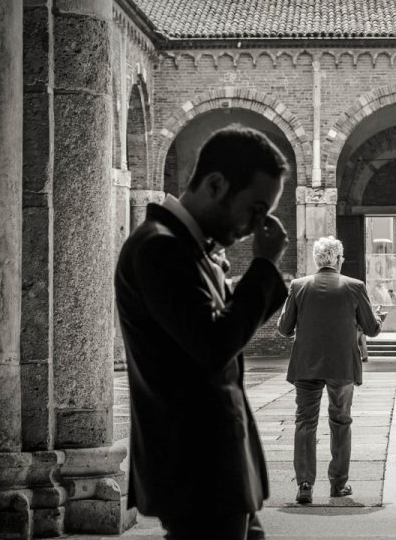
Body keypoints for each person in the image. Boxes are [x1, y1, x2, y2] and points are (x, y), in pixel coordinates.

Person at [115, 125, 290, 540]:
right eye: (255, 209)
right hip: (196, 465)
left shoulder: (186, 247)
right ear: (215, 184)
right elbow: (213, 345)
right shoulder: (160, 248)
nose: (254, 226)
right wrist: (264, 267)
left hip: (213, 466)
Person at [277, 236, 384, 505]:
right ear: (337, 259)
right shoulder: (354, 286)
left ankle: (304, 484)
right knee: (340, 421)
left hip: (306, 365)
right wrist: (377, 318)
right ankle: (338, 484)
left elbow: (283, 328)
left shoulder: (299, 286)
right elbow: (371, 328)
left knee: (305, 422)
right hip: (342, 366)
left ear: (317, 259)